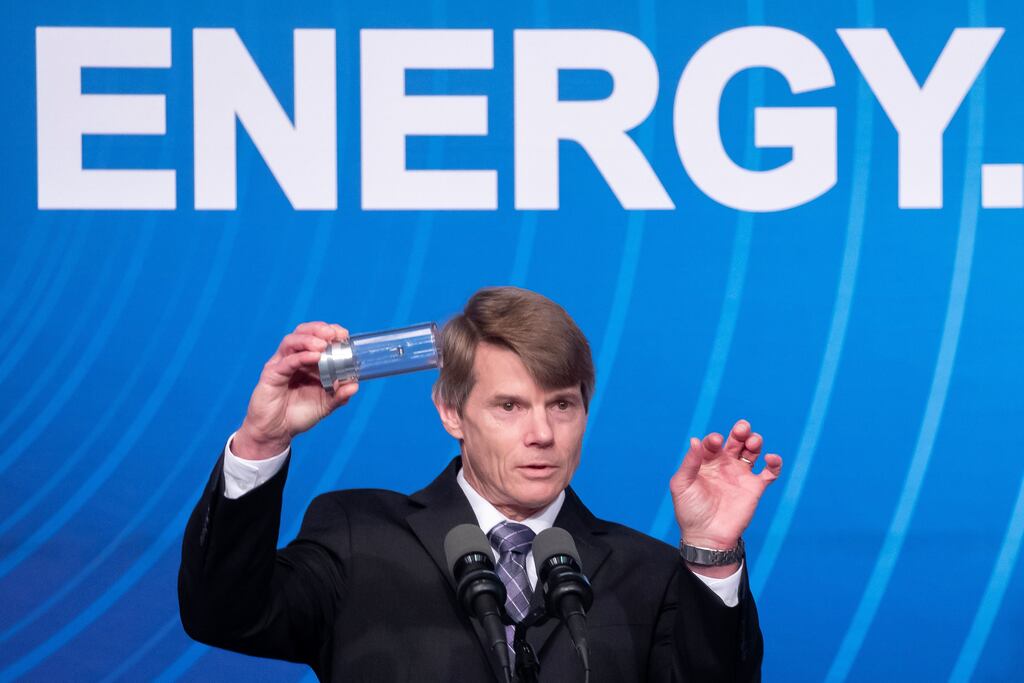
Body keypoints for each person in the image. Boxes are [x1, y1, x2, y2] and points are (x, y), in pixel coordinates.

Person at [178, 286, 783, 681]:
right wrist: (261, 443)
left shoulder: (649, 573)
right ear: (451, 412)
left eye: (563, 405)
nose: (542, 434)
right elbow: (223, 615)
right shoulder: (359, 537)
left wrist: (710, 554)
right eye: (510, 406)